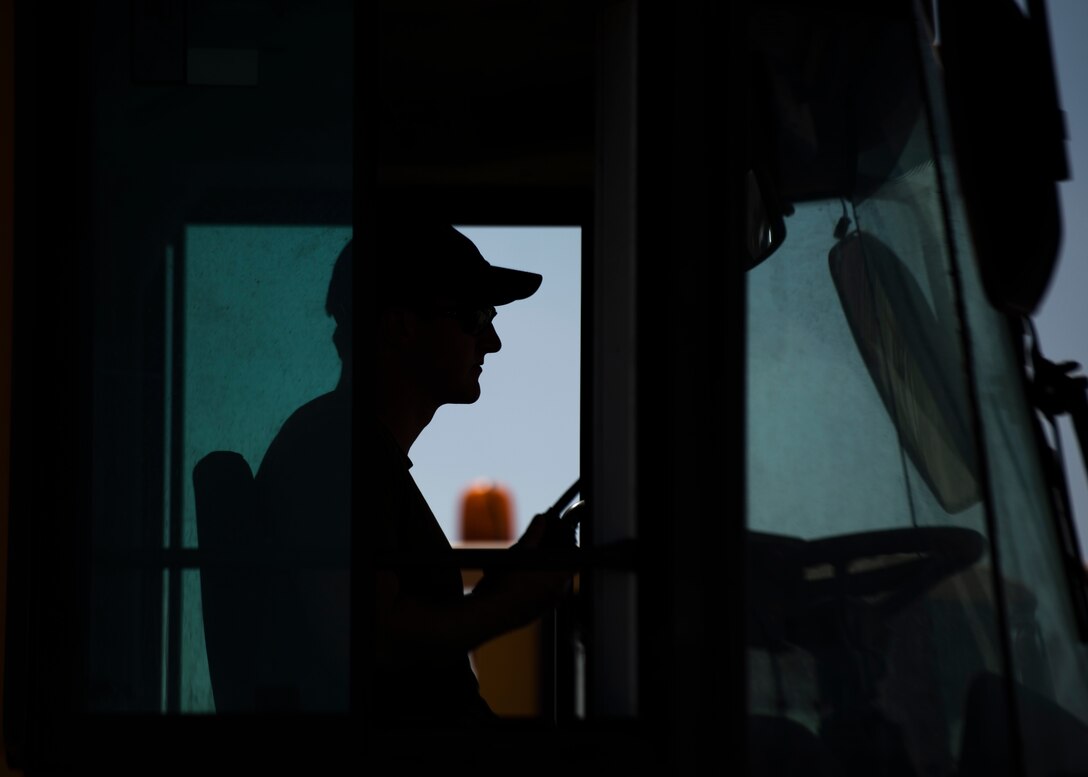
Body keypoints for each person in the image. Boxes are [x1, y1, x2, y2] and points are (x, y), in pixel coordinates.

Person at [252, 212, 577, 722]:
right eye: (474, 316)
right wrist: (509, 604)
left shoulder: (349, 450)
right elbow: (370, 643)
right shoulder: (330, 451)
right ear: (401, 327)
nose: (491, 342)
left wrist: (499, 588)